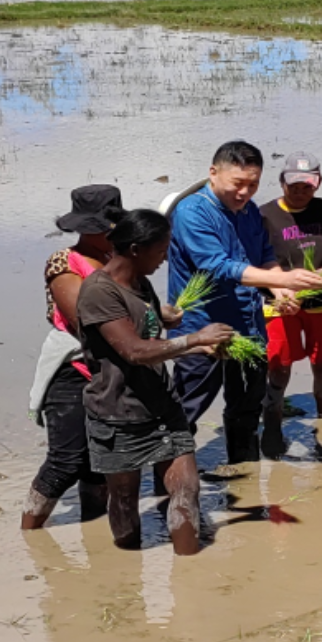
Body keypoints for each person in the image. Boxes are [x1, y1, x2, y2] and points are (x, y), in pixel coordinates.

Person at [76, 209, 234, 553]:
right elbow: (133, 350)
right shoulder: (97, 292)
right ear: (135, 249)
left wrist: (191, 339)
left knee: (186, 487)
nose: (165, 258)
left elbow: (147, 329)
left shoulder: (140, 282)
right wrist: (193, 340)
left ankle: (190, 574)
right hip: (118, 412)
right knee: (124, 498)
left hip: (161, 404)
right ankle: (128, 573)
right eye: (161, 250)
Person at [167, 141, 322, 464]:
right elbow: (217, 265)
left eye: (252, 184)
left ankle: (244, 476)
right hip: (202, 329)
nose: (244, 192)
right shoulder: (191, 212)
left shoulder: (250, 211)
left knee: (248, 407)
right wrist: (282, 280)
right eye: (237, 183)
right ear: (213, 173)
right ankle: (170, 485)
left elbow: (264, 256)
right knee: (186, 409)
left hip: (249, 325)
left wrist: (281, 292)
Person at [22, 185, 125, 530]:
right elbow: (87, 321)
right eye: (94, 226)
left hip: (109, 368)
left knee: (99, 461)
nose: (103, 232)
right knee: (65, 460)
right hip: (73, 368)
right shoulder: (65, 262)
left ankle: (91, 531)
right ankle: (30, 533)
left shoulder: (118, 259)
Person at [259, 152, 322, 456]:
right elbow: (254, 260)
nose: (300, 191)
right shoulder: (264, 215)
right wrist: (281, 290)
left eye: (307, 186)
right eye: (293, 185)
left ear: (318, 183)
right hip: (279, 303)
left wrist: (321, 275)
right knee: (278, 367)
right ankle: (272, 430)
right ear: (282, 182)